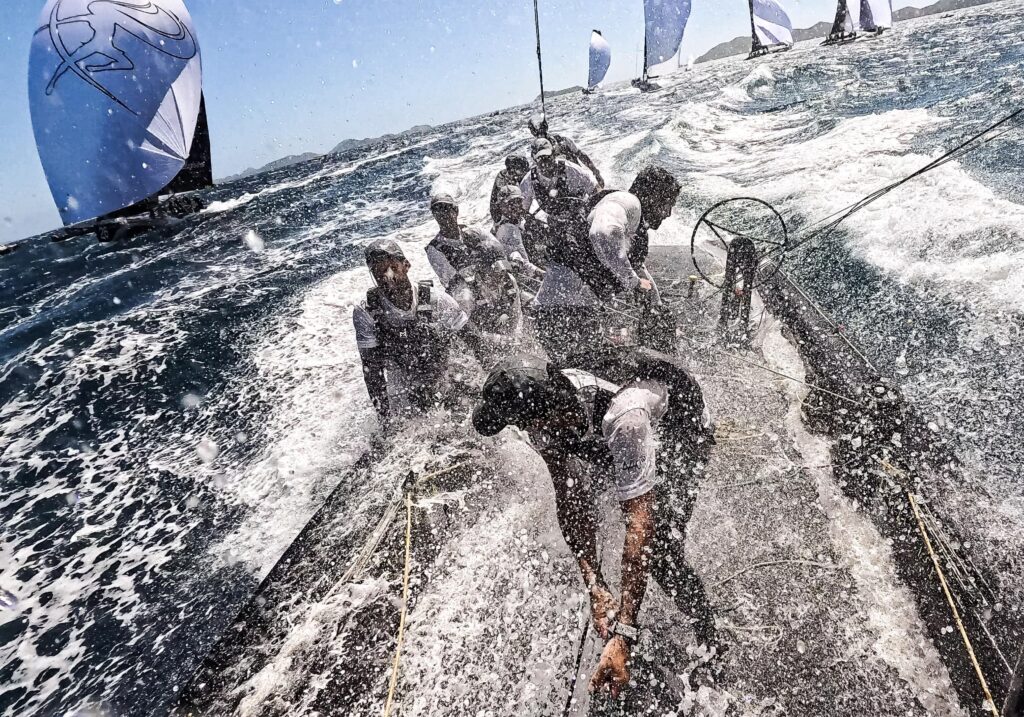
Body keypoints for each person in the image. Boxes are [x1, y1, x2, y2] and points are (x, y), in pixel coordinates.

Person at [472, 348, 720, 698]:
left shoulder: (625, 417)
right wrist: (595, 584)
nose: (530, 432)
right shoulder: (544, 416)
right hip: (610, 430)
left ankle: (711, 640)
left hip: (681, 430)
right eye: (522, 425)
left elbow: (640, 528)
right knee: (605, 498)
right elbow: (571, 499)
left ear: (553, 412)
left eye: (530, 424)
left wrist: (624, 633)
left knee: (661, 550)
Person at [533, 165, 682, 364]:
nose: (668, 214)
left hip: (563, 314)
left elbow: (637, 269)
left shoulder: (633, 225)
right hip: (565, 314)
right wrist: (632, 282)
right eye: (667, 204)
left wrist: (657, 306)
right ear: (654, 197)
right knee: (602, 378)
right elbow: (602, 233)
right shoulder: (629, 202)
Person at [353, 238, 483, 432]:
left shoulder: (435, 299)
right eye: (378, 272)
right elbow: (372, 371)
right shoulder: (366, 311)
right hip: (403, 382)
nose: (387, 276)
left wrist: (489, 374)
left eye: (392, 267)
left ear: (406, 265)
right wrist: (385, 418)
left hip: (442, 371)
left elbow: (473, 339)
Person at [528, 114, 605, 189]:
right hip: (557, 188)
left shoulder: (562, 141)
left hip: (578, 178)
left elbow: (581, 155)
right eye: (534, 129)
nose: (538, 132)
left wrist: (596, 173)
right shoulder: (535, 151)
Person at [493, 185, 543, 280]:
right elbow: (524, 264)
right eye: (511, 203)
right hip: (527, 280)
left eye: (518, 202)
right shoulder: (507, 229)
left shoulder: (521, 221)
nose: (516, 206)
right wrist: (542, 273)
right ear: (501, 207)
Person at [489, 154, 531, 226]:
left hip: (511, 209)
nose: (524, 173)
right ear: (512, 169)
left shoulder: (517, 175)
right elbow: (508, 202)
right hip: (501, 214)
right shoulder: (502, 179)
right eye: (521, 170)